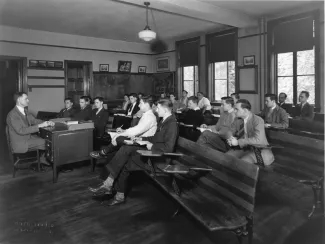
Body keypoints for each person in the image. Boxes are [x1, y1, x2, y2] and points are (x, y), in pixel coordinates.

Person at [88, 99, 178, 206]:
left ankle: (109, 185)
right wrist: (141, 140)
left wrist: (151, 145)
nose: (156, 110)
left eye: (158, 108)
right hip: (153, 153)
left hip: (159, 160)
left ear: (165, 109)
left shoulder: (172, 124)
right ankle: (116, 193)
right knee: (124, 158)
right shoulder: (164, 120)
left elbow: (168, 148)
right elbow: (154, 137)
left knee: (125, 151)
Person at [90, 96, 157, 159]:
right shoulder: (146, 115)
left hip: (144, 142)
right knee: (119, 138)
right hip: (139, 138)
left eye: (141, 103)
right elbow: (137, 129)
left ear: (147, 104)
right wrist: (124, 131)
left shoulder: (149, 117)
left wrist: (124, 132)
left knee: (119, 138)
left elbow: (137, 130)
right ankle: (105, 153)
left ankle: (104, 153)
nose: (139, 105)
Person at [6, 92, 54, 164]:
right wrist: (40, 126)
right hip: (20, 142)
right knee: (48, 143)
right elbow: (21, 131)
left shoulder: (24, 111)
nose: (28, 100)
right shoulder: (13, 114)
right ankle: (49, 161)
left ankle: (44, 159)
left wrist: (46, 122)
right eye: (26, 99)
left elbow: (34, 120)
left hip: (27, 138)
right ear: (19, 100)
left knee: (49, 140)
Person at [226, 99, 274, 166]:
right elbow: (230, 131)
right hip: (245, 148)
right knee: (226, 158)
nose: (234, 111)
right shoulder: (237, 119)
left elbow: (258, 140)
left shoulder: (258, 120)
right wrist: (230, 138)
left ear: (245, 110)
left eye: (236, 109)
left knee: (242, 163)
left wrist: (237, 142)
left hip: (259, 150)